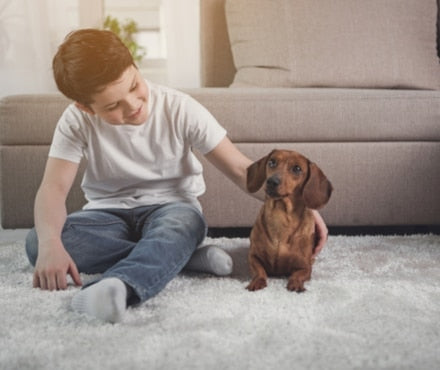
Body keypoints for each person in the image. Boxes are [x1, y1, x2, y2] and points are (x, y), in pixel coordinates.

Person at [25, 29, 328, 323]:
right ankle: (183, 258)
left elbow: (240, 169)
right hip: (108, 216)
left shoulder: (180, 108)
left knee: (182, 225)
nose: (133, 106)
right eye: (113, 105)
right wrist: (51, 242)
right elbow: (53, 189)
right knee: (37, 242)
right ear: (85, 108)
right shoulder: (75, 121)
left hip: (172, 211)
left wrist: (303, 203)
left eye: (133, 86)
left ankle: (121, 285)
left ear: (134, 64)